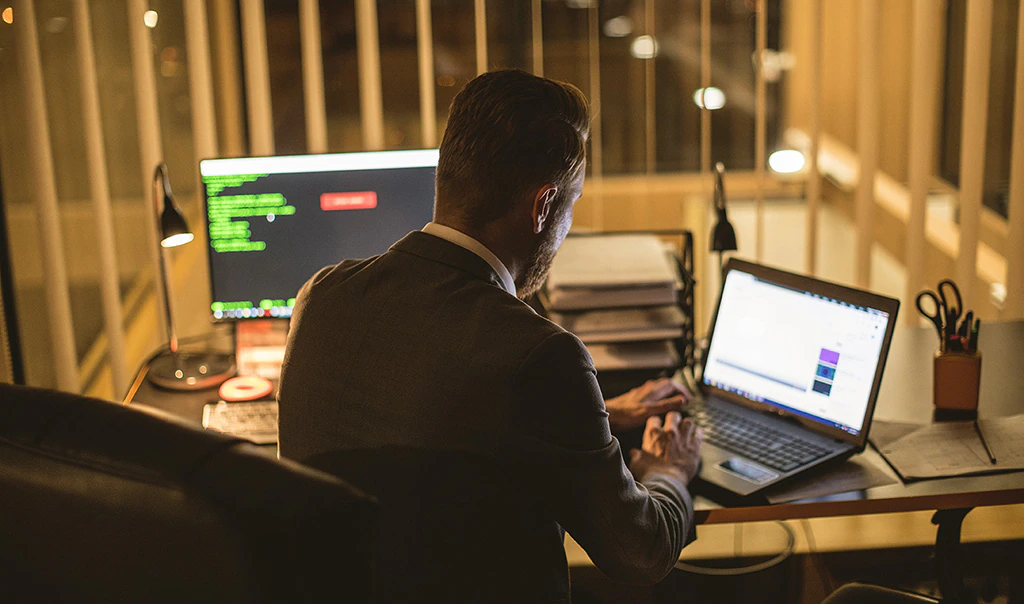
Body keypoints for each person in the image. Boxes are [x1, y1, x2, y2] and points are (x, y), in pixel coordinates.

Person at [277, 68, 703, 603]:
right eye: (571, 207)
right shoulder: (539, 355)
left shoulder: (320, 297)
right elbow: (639, 552)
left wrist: (600, 415)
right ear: (544, 206)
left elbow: (436, 424)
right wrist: (669, 473)